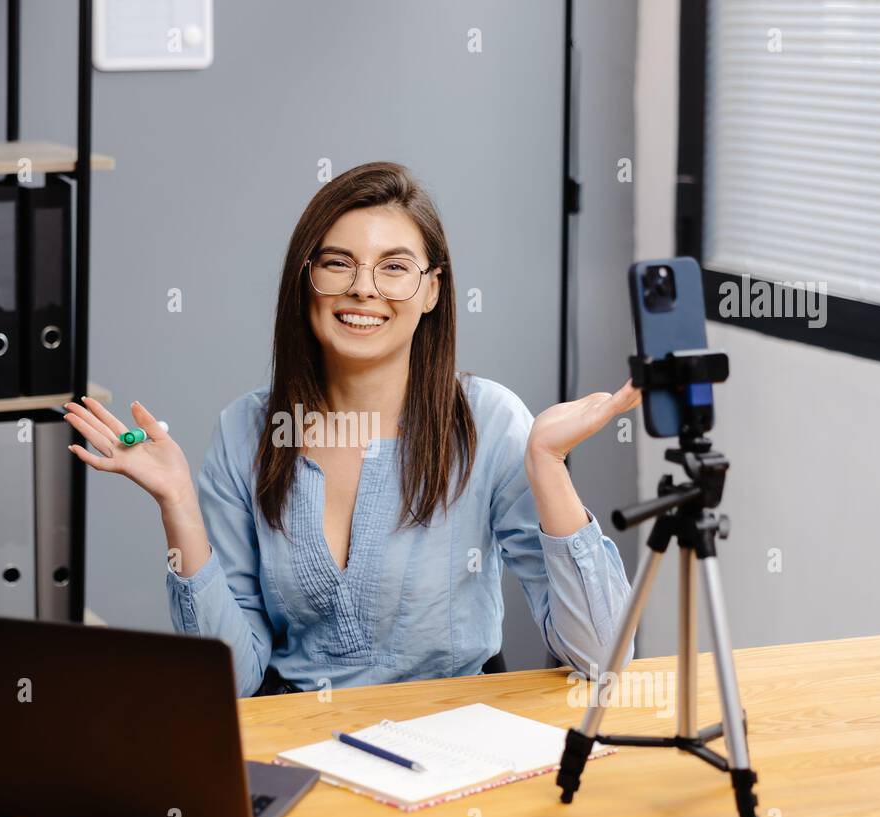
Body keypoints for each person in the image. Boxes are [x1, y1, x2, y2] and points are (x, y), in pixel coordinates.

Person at [64, 161, 640, 697]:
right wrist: (179, 505)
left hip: (455, 733)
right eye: (339, 263)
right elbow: (232, 682)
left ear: (432, 289)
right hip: (301, 738)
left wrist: (546, 464)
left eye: (394, 267)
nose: (364, 288)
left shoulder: (490, 422)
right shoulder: (247, 430)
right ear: (307, 278)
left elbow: (603, 660)